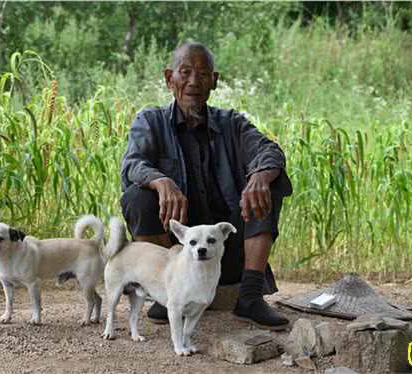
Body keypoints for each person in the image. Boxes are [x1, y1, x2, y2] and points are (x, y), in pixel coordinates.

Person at [119, 41, 292, 330]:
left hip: (226, 249)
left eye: (202, 74)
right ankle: (166, 294)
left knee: (268, 184)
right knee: (138, 195)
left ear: (214, 81)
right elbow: (132, 164)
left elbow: (270, 151)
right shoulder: (150, 121)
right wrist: (161, 181)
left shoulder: (232, 124)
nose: (193, 82)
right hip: (178, 255)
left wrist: (260, 176)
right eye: (185, 72)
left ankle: (249, 296)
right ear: (169, 78)